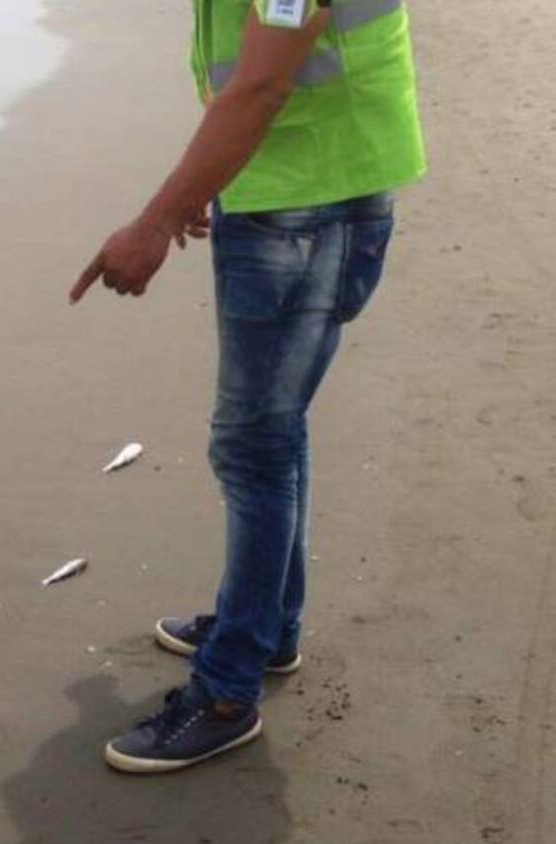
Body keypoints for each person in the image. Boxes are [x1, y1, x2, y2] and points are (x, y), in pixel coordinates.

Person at [69, 0, 426, 772]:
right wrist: (209, 180)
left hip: (311, 202)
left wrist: (156, 221)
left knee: (253, 445)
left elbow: (262, 85)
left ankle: (229, 690)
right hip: (291, 182)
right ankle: (263, 626)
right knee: (271, 433)